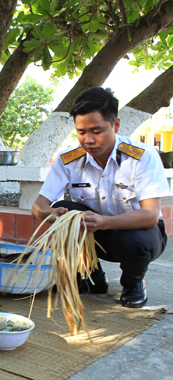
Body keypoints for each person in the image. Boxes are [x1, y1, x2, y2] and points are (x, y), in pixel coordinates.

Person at [32, 87, 169, 308]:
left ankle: (133, 283)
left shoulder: (142, 157)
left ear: (115, 125)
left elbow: (150, 216)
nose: (88, 140)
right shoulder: (69, 159)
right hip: (96, 235)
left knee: (132, 240)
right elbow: (38, 205)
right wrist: (51, 214)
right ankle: (91, 276)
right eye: (81, 132)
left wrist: (105, 222)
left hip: (138, 235)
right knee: (65, 208)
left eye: (97, 131)